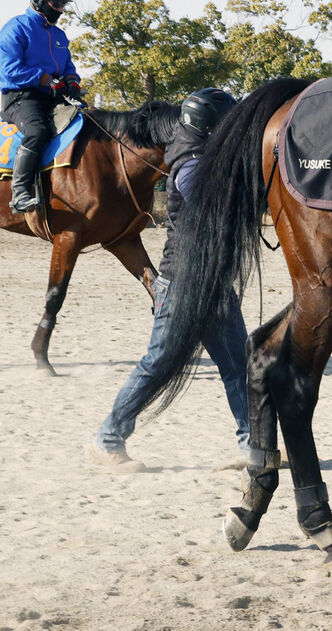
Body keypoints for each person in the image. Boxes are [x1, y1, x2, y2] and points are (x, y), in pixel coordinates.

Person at [88, 88, 248, 472]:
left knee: (240, 363)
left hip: (213, 284)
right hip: (182, 285)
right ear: (210, 127)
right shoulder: (191, 164)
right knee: (157, 364)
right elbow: (217, 204)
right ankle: (107, 439)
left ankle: (254, 445)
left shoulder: (203, 157)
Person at [0, 0, 83, 213]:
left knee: (89, 122)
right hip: (20, 98)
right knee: (37, 132)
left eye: (61, 6)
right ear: (39, 1)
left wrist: (72, 80)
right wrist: (46, 79)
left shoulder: (59, 35)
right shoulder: (16, 27)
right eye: (55, 5)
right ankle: (20, 194)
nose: (60, 10)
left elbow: (67, 66)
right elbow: (8, 70)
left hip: (53, 97)